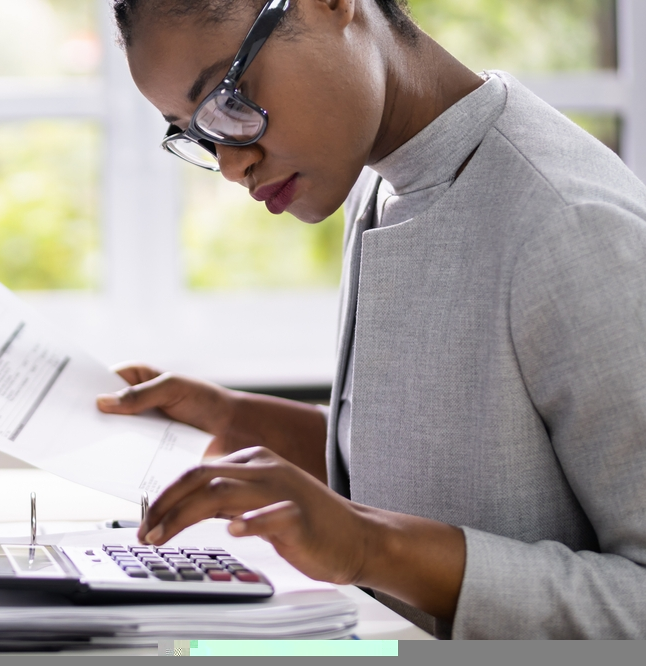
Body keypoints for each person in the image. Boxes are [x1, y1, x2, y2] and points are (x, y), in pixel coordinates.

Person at [95, 0, 646, 639]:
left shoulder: (571, 225)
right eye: (197, 132)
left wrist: (368, 548)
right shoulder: (383, 176)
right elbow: (457, 464)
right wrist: (233, 419)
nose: (231, 163)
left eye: (229, 94)